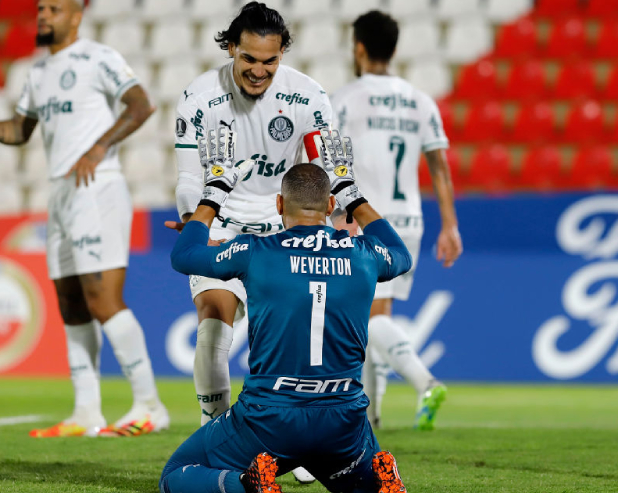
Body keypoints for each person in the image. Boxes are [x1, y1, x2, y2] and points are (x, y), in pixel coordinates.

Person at [161, 127, 410, 493]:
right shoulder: (364, 255)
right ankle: (375, 482)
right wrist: (351, 193)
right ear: (330, 207)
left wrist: (213, 193)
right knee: (358, 474)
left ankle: (248, 483)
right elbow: (400, 255)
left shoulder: (256, 252)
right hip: (342, 422)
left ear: (279, 205)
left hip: (269, 420)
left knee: (177, 472)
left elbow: (183, 255)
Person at [0, 0, 168, 437]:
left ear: (76, 15)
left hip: (97, 186)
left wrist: (98, 148)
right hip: (60, 191)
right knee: (71, 303)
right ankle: (86, 412)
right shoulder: (36, 73)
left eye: (54, 9)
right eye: (41, 8)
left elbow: (140, 105)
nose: (43, 15)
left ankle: (149, 405)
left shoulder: (98, 56)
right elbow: (20, 131)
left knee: (102, 300)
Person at [173, 1, 333, 428]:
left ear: (283, 54)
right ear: (230, 48)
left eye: (270, 61)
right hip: (221, 221)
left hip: (283, 224)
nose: (259, 70)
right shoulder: (199, 97)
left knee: (292, 339)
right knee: (212, 326)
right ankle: (216, 432)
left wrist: (336, 217)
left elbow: (323, 171)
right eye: (249, 58)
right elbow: (189, 177)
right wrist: (194, 218)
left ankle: (294, 439)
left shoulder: (309, 96)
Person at [330, 10, 463, 430]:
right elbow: (439, 166)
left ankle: (424, 382)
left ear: (359, 48)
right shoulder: (419, 100)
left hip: (365, 218)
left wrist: (336, 214)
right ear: (394, 49)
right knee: (376, 315)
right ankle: (373, 415)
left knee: (367, 319)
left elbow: (330, 162)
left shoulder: (345, 98)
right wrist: (450, 225)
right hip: (410, 220)